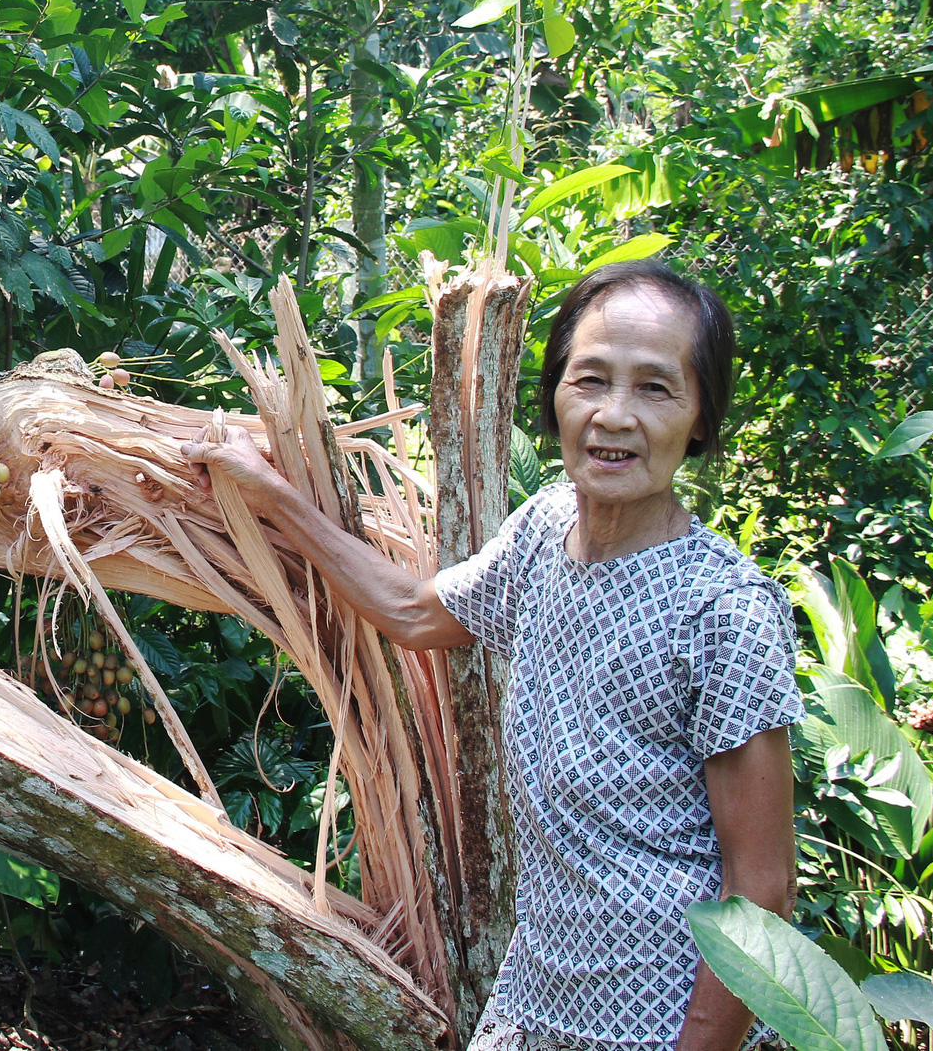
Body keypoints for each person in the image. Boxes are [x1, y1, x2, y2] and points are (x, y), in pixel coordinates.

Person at [183, 260, 803, 1051]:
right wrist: (271, 493)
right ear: (554, 397)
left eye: (655, 388)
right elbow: (413, 610)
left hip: (668, 1021)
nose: (614, 415)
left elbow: (764, 886)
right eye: (591, 380)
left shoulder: (726, 611)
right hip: (538, 992)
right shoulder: (544, 533)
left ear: (701, 417)